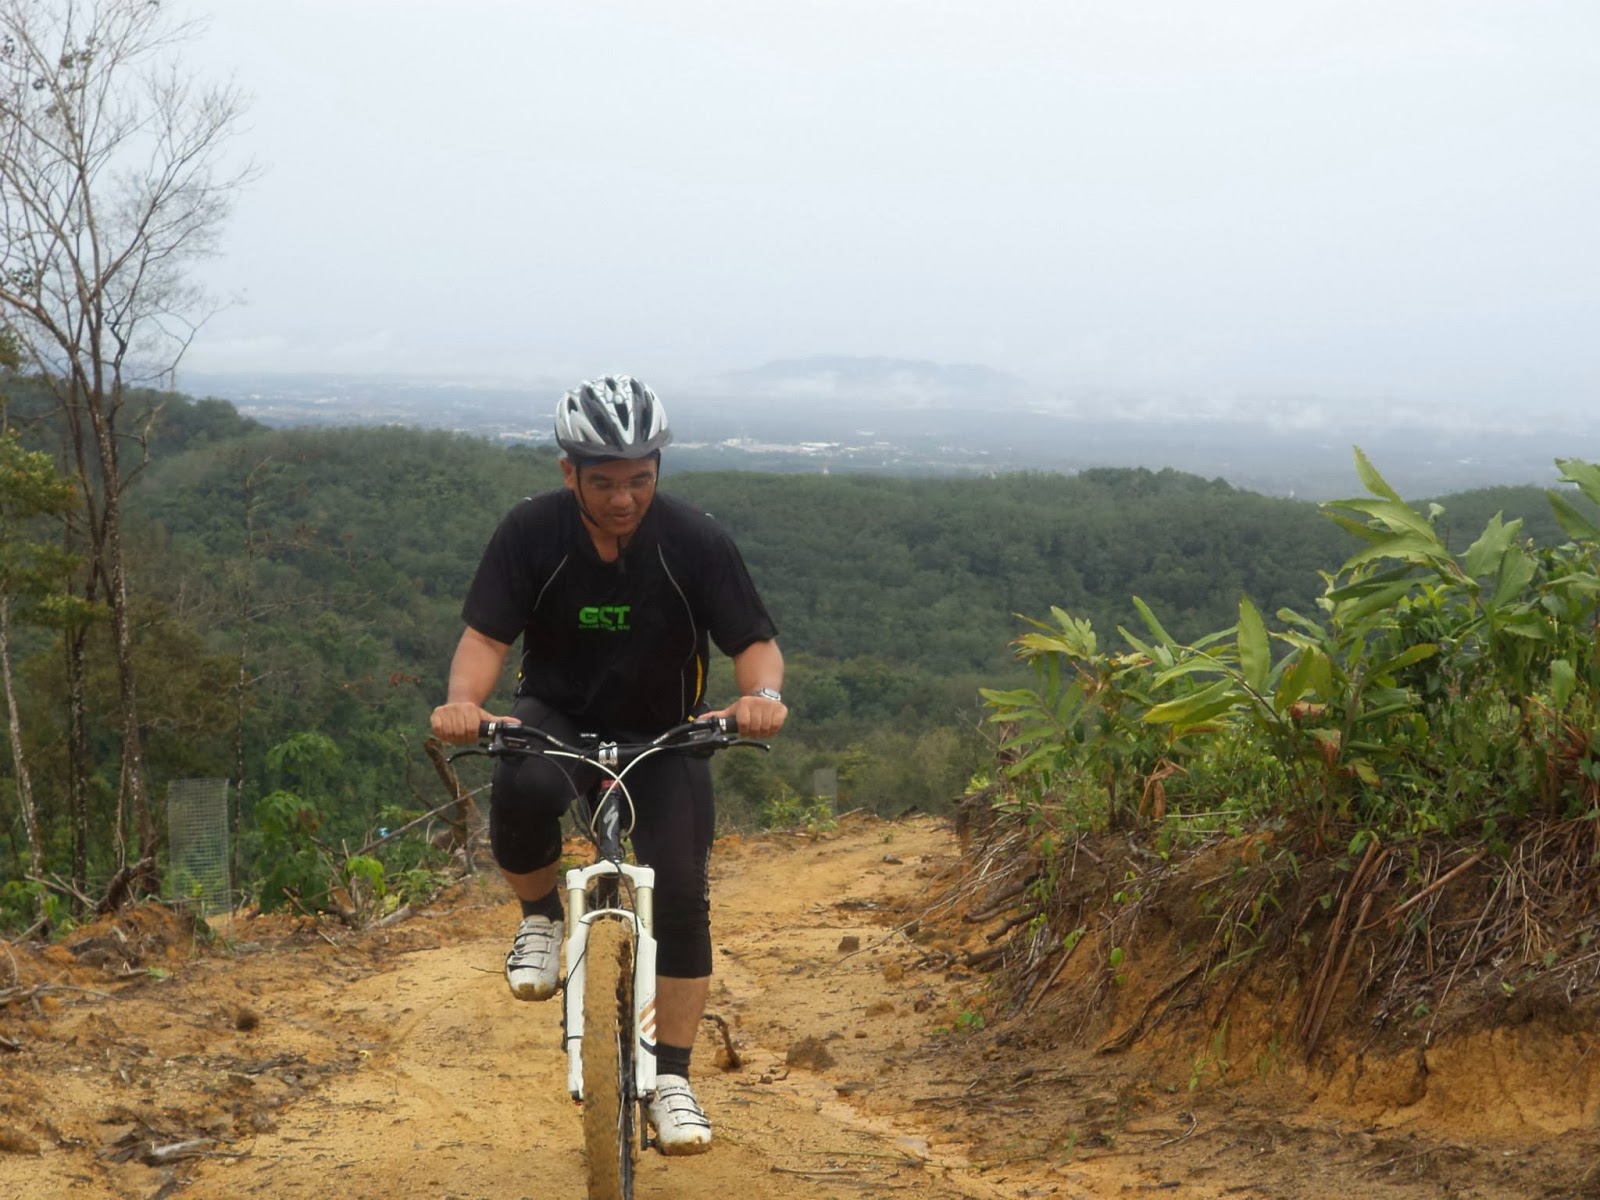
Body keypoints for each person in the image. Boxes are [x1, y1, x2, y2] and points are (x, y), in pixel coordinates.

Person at [430, 375, 787, 1155]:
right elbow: (486, 641)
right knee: (520, 784)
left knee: (684, 893)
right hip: (559, 716)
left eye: (640, 480)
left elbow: (754, 644)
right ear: (570, 474)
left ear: (658, 469)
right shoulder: (530, 533)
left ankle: (674, 1081)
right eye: (604, 482)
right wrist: (464, 702)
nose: (624, 498)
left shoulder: (695, 541)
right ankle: (539, 918)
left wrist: (760, 693)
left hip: (666, 731)